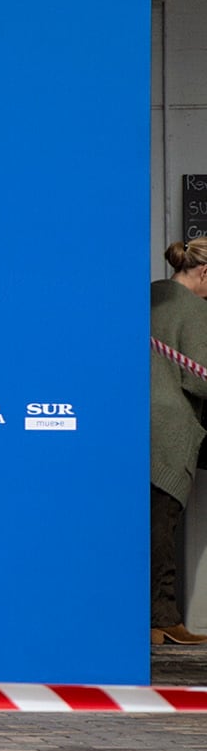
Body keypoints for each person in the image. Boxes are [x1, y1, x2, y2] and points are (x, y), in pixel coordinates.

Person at [156, 244, 207, 647]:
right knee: (164, 524)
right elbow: (199, 377)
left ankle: (155, 619)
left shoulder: (150, 296)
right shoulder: (193, 310)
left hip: (132, 426)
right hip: (168, 429)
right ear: (203, 273)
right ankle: (164, 618)